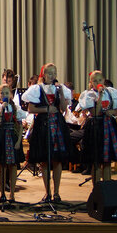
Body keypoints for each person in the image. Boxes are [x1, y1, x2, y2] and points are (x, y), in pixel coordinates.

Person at [21, 63, 72, 202]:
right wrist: (47, 110)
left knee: (57, 159)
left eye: (54, 73)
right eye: (49, 73)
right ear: (43, 74)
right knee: (44, 160)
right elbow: (31, 109)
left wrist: (61, 93)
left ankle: (57, 192)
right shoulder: (37, 89)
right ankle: (47, 192)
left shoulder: (59, 89)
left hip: (57, 125)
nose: (52, 76)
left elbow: (62, 108)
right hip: (43, 124)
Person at [78, 71, 117, 184]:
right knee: (96, 160)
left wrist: (111, 112)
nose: (97, 83)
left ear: (104, 80)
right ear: (91, 83)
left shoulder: (111, 92)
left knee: (107, 160)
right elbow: (95, 112)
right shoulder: (89, 95)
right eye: (94, 81)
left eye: (100, 80)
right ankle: (97, 189)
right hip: (96, 127)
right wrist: (99, 96)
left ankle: (107, 187)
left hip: (109, 126)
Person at [0, 84, 24, 203]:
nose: (4, 95)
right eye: (2, 93)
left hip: (12, 137)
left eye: (7, 93)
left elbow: (20, 126)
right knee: (1, 165)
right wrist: (2, 109)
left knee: (13, 165)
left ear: (11, 95)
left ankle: (12, 194)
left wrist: (19, 141)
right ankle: (2, 192)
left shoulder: (15, 108)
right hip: (1, 137)